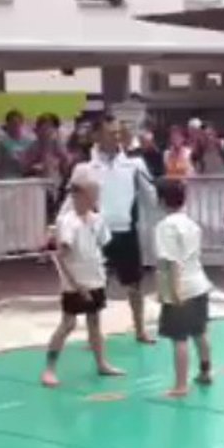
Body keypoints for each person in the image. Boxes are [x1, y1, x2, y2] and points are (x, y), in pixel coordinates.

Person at [68, 116, 157, 344]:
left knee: (135, 284)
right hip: (97, 233)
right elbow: (71, 201)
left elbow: (151, 197)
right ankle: (93, 336)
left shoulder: (134, 164)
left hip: (126, 231)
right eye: (110, 132)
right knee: (96, 287)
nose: (116, 136)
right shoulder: (84, 167)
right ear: (97, 135)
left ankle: (140, 329)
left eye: (118, 132)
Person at [40, 166, 123, 388]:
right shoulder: (68, 222)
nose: (95, 197)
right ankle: (49, 369)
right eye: (92, 193)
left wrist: (100, 276)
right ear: (80, 194)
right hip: (74, 283)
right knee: (67, 324)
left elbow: (100, 247)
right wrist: (77, 285)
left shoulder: (97, 219)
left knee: (95, 322)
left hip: (94, 278)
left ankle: (101, 362)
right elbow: (63, 257)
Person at [154, 177, 215, 398]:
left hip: (182, 286)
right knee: (200, 332)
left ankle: (181, 385)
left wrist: (171, 292)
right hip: (199, 283)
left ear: (161, 200)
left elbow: (170, 262)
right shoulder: (191, 223)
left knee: (179, 338)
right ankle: (205, 371)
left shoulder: (165, 226)